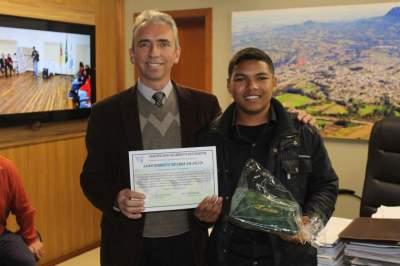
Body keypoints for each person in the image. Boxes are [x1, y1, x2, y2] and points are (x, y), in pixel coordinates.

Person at [80, 10, 223, 266]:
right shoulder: (105, 113)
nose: (154, 52)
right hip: (129, 244)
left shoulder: (205, 106)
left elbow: (227, 161)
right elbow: (91, 178)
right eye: (144, 44)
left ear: (177, 53)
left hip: (189, 242)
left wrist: (296, 120)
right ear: (132, 54)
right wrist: (116, 198)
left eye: (163, 43)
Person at [199, 47, 338, 266]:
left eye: (261, 78)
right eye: (241, 79)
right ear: (229, 85)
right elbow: (198, 196)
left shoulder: (302, 133)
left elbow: (326, 185)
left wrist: (308, 222)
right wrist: (202, 215)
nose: (252, 87)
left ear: (274, 82)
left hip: (290, 258)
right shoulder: (210, 138)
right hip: (228, 257)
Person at [0, 155, 45, 266]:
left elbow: (24, 209)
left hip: (1, 235)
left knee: (26, 260)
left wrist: (31, 240)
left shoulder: (6, 167)